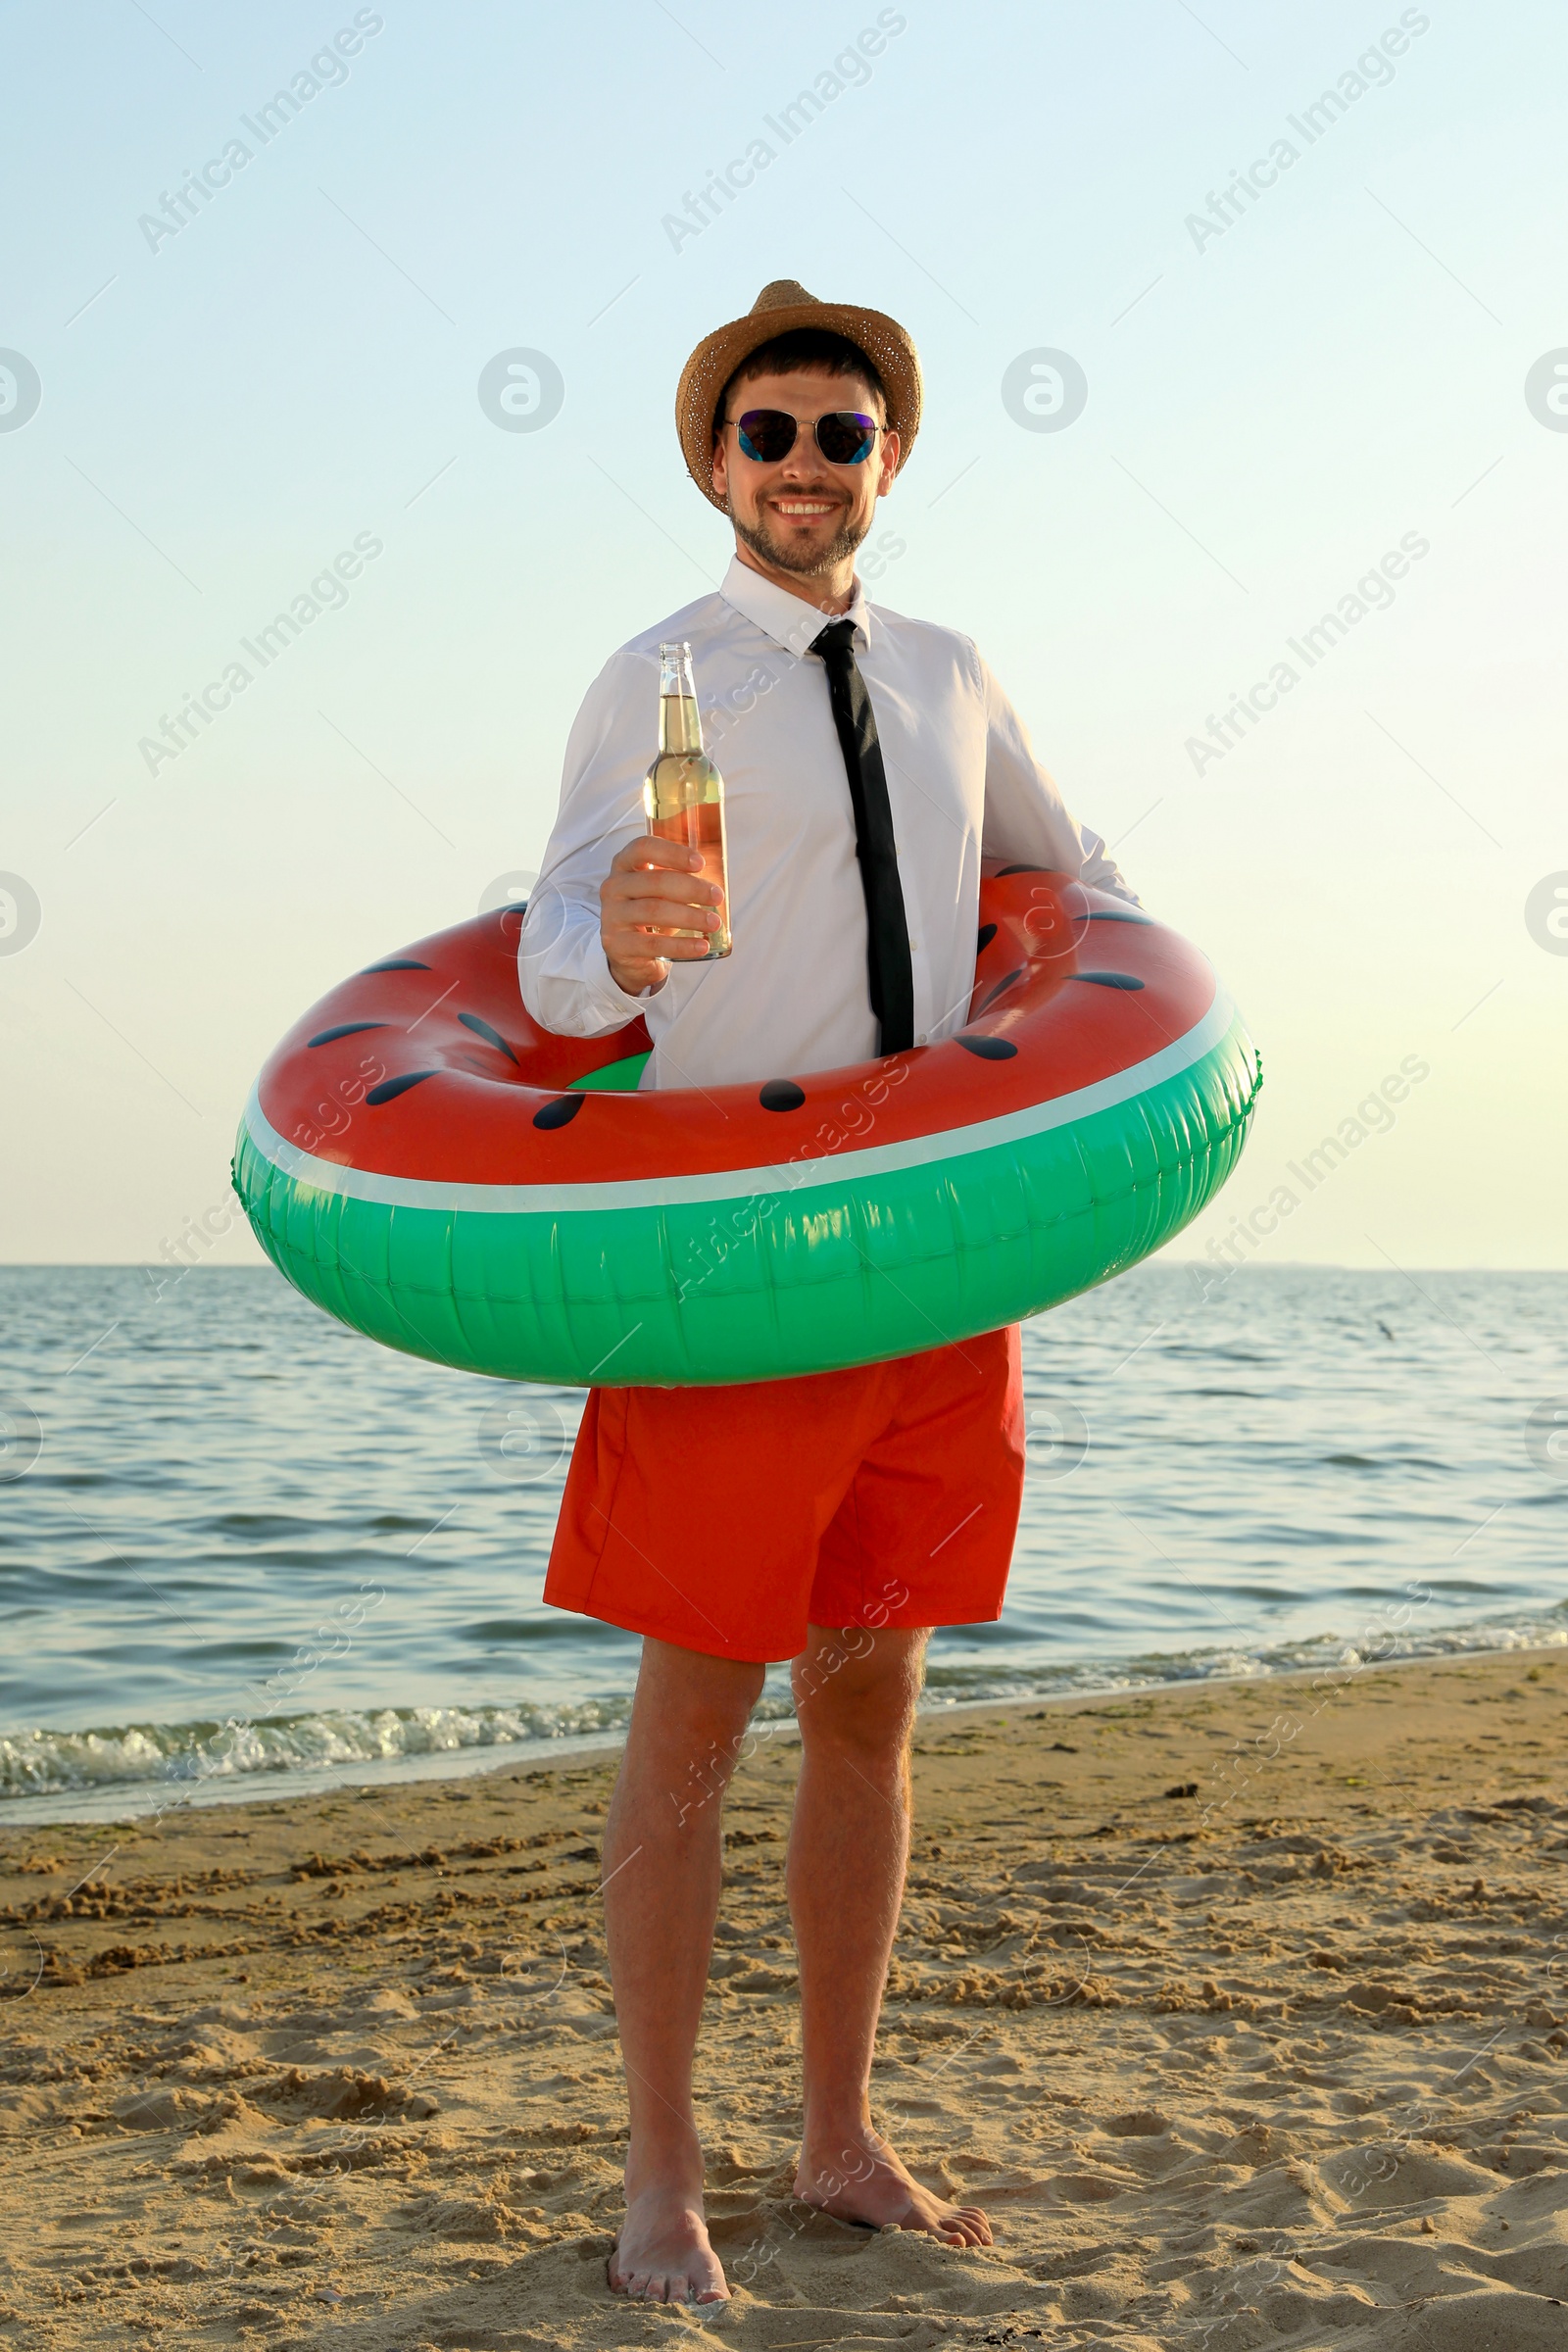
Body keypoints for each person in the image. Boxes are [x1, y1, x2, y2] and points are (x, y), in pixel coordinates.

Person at [518, 279, 1136, 2305]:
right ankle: (661, 2183)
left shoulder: (955, 672)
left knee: (868, 1697)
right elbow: (550, 972)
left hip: (939, 1265)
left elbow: (1080, 893)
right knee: (692, 1721)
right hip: (729, 1265)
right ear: (716, 464)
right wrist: (614, 933)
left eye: (836, 436)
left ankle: (842, 2136)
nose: (802, 466)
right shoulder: (656, 677)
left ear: (886, 461)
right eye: (766, 435)